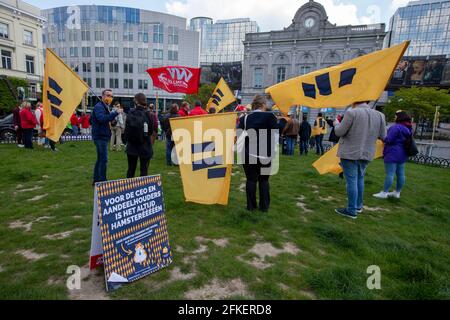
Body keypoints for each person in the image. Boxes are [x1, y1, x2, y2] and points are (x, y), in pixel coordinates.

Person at [333, 101, 387, 219]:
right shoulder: (380, 115)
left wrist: (336, 123)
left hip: (350, 152)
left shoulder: (352, 113)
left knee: (351, 180)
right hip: (367, 153)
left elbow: (339, 132)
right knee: (360, 178)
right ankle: (358, 205)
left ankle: (351, 210)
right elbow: (383, 136)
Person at [238, 95, 278, 212]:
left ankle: (251, 207)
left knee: (251, 180)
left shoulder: (244, 118)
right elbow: (275, 137)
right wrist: (273, 151)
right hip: (265, 155)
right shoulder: (270, 117)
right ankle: (264, 207)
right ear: (263, 105)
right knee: (264, 181)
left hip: (249, 154)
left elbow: (239, 136)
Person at [373, 111, 413, 200]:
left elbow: (388, 139)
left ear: (399, 117)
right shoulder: (408, 128)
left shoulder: (395, 127)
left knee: (390, 173)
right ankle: (397, 192)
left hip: (392, 152)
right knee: (401, 174)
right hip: (403, 153)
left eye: (396, 116)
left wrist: (381, 136)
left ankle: (384, 192)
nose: (394, 118)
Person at [124, 93, 158, 178]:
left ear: (135, 101)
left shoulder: (130, 113)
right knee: (144, 171)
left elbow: (127, 128)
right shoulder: (149, 114)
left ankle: (128, 189)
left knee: (131, 169)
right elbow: (150, 131)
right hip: (145, 145)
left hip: (131, 145)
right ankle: (142, 189)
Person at [91, 89, 118, 184]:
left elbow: (106, 120)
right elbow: (101, 119)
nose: (110, 98)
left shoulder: (106, 107)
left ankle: (96, 179)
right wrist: (114, 114)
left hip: (104, 135)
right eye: (108, 95)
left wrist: (112, 120)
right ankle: (102, 180)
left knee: (100, 158)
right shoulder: (99, 107)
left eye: (111, 96)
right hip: (100, 136)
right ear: (102, 96)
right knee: (103, 159)